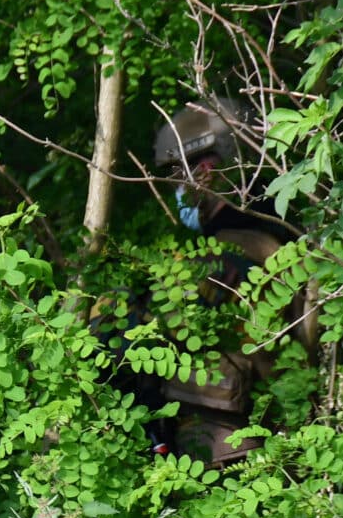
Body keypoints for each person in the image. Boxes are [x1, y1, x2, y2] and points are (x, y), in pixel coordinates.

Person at [95, 100, 317, 465]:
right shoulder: (286, 242)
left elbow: (131, 334)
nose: (179, 189)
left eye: (181, 175)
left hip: (221, 445)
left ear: (210, 170)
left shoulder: (227, 255)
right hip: (266, 439)